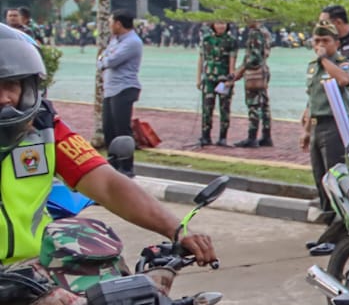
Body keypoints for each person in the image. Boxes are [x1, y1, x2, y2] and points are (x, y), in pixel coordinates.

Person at [0, 26, 216, 289]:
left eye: (11, 85)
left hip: (36, 273)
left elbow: (108, 184)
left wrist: (178, 230)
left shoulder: (47, 129)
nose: (4, 99)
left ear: (29, 87)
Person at [301, 25, 349, 220]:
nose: (320, 45)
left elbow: (344, 80)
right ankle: (327, 219)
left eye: (326, 41)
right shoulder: (313, 66)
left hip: (334, 125)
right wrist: (306, 130)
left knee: (334, 176)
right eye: (317, 41)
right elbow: (311, 98)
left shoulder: (342, 63)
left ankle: (340, 223)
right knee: (319, 176)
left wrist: (324, 59)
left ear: (336, 43)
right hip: (316, 124)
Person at [98, 10, 143, 176]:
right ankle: (113, 163)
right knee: (109, 128)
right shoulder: (115, 40)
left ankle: (126, 166)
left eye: (111, 22)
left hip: (124, 88)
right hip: (110, 89)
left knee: (122, 130)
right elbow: (103, 58)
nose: (109, 26)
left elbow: (110, 60)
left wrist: (103, 60)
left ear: (118, 23)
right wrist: (103, 60)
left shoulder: (132, 42)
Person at [229, 18, 273, 148]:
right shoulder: (265, 32)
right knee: (264, 104)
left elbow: (254, 57)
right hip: (264, 70)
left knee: (253, 105)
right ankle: (266, 135)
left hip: (254, 73)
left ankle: (252, 136)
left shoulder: (255, 33)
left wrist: (240, 70)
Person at [195, 20, 237, 147]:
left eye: (223, 23)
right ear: (212, 25)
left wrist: (231, 80)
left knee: (224, 108)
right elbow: (201, 59)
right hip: (209, 79)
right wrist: (198, 78)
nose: (221, 26)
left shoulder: (231, 40)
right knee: (207, 108)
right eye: (218, 23)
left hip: (223, 80)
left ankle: (223, 138)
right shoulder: (207, 39)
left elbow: (232, 61)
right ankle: (205, 136)